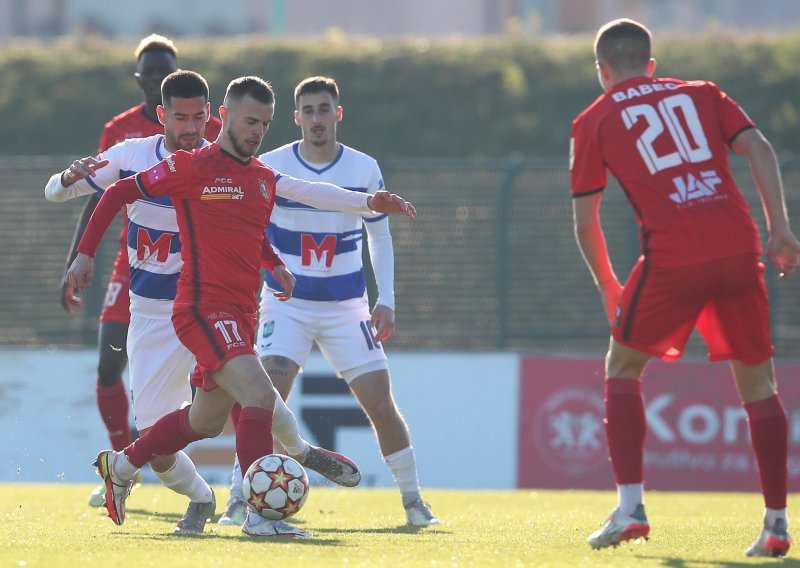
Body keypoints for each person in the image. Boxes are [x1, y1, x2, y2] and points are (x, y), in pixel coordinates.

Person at [66, 76, 416, 538]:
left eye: (265, 125)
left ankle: (124, 464)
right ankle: (259, 512)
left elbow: (306, 194)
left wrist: (368, 202)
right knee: (259, 395)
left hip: (240, 314)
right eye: (249, 121)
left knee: (204, 421)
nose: (256, 132)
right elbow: (116, 193)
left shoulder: (262, 178)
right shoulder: (191, 167)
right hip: (201, 309)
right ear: (225, 116)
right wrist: (85, 253)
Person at [571, 18, 800, 557]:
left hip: (674, 255)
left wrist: (608, 284)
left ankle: (630, 508)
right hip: (739, 245)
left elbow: (585, 221)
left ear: (603, 72)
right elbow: (761, 148)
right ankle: (776, 523)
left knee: (622, 367)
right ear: (651, 65)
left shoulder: (594, 117)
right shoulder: (701, 92)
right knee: (760, 385)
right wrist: (781, 228)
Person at [217, 76, 439, 528]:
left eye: (324, 109)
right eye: (308, 111)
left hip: (346, 305)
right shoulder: (272, 164)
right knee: (265, 398)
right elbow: (249, 229)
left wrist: (387, 299)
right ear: (296, 118)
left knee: (380, 401)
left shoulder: (363, 168)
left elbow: (380, 234)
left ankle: (415, 503)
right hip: (287, 305)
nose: (317, 118)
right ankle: (240, 500)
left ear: (338, 114)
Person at [57, 34, 221, 509]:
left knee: (219, 381)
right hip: (133, 271)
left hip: (192, 273)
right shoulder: (122, 132)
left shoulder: (208, 135)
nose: (153, 79)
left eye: (162, 71)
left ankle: (157, 460)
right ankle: (121, 462)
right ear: (139, 80)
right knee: (110, 366)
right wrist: (77, 257)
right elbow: (98, 192)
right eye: (147, 73)